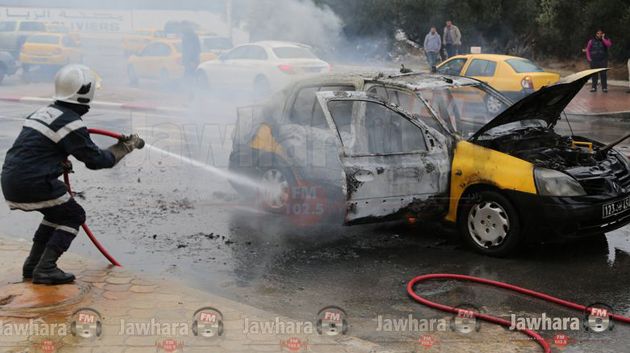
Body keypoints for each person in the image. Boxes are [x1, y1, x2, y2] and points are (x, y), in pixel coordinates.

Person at [1, 65, 142, 285]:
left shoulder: (43, 112)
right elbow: (97, 161)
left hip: (12, 180)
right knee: (73, 215)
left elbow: (36, 149)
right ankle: (46, 268)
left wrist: (58, 162)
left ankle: (32, 265)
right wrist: (125, 147)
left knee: (56, 214)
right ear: (86, 92)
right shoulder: (71, 123)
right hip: (33, 183)